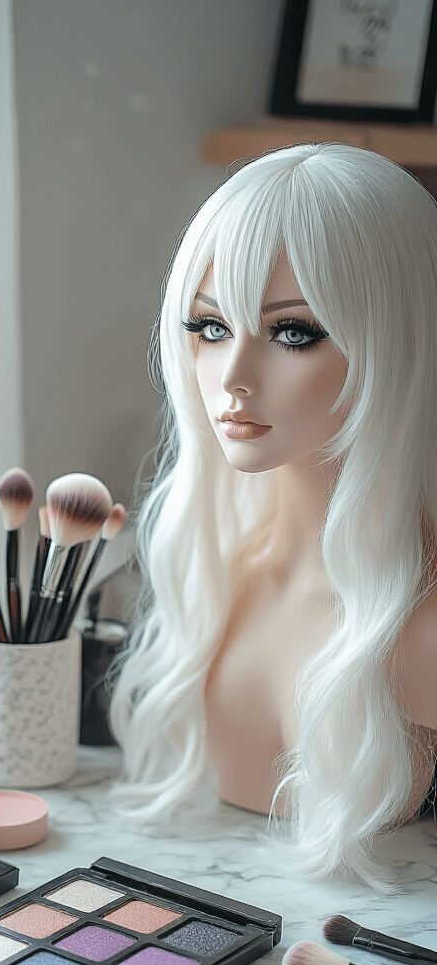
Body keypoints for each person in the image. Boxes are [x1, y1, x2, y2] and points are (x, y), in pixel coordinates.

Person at [111, 142, 437, 887]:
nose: (233, 379)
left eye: (294, 333)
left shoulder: (421, 628)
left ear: (400, 343)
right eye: (211, 328)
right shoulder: (217, 570)